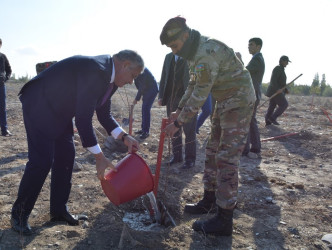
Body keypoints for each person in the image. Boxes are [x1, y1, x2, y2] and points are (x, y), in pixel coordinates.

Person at [11, 50, 143, 235]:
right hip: (39, 103)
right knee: (42, 160)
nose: (132, 81)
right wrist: (99, 156)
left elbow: (104, 115)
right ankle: (19, 215)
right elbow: (83, 119)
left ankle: (58, 211)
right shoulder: (97, 70)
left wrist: (124, 137)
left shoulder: (110, 80)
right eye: (133, 75)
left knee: (66, 155)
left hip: (60, 111)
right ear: (125, 64)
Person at [160, 17, 255, 236]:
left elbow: (201, 94)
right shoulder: (194, 52)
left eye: (175, 46)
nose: (174, 52)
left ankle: (224, 220)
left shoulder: (205, 52)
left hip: (239, 101)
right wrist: (178, 108)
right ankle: (210, 200)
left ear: (185, 36)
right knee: (212, 151)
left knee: (226, 158)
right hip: (224, 101)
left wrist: (178, 122)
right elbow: (193, 84)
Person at [158, 52, 196, 169]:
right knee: (174, 128)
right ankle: (177, 156)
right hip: (171, 99)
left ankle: (190, 159)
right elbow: (164, 76)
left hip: (188, 99)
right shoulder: (168, 56)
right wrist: (161, 95)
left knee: (189, 130)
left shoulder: (191, 55)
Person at [242, 38, 265, 159]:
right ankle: (249, 148)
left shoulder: (257, 59)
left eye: (251, 45)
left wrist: (238, 60)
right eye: (248, 44)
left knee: (250, 119)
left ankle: (255, 148)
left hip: (253, 93)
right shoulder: (256, 58)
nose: (248, 47)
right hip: (253, 92)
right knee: (249, 119)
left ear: (258, 46)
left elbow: (244, 71)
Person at [133, 67, 159, 139]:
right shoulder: (134, 69)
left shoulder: (141, 69)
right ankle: (143, 129)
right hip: (146, 90)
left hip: (152, 89)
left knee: (146, 109)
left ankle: (146, 132)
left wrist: (137, 98)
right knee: (144, 109)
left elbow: (142, 85)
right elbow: (138, 84)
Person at [265, 55, 291, 126]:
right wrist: (277, 89)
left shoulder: (281, 69)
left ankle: (268, 121)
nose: (287, 63)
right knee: (284, 104)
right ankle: (272, 118)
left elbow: (282, 83)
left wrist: (285, 90)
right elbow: (273, 80)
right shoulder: (278, 68)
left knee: (272, 106)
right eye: (286, 61)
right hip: (275, 90)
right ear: (282, 61)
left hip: (277, 90)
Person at [0, 38, 12, 136]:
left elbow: (9, 70)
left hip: (1, 85)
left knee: (2, 108)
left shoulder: (3, 57)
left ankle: (4, 130)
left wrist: (6, 78)